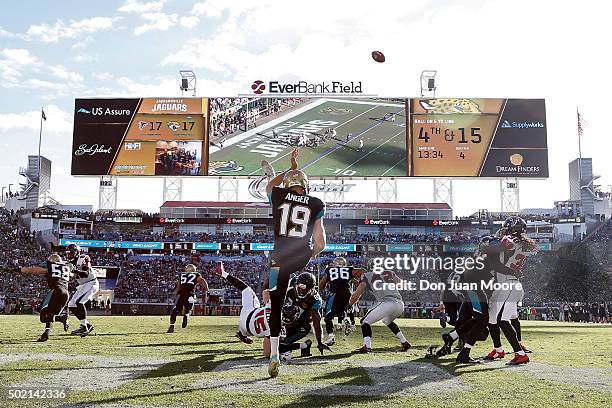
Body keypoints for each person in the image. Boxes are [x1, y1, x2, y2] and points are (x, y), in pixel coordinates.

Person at [261, 148, 327, 378]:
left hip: (279, 259)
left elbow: (269, 186)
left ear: (288, 183)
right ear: (306, 186)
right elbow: (321, 240)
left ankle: (275, 354)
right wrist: (314, 253)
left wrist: (288, 169)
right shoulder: (316, 203)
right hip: (300, 257)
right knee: (290, 284)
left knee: (275, 306)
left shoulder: (278, 195)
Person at [485, 217, 537, 365]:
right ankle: (499, 349)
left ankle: (520, 354)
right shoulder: (525, 243)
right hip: (510, 284)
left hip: (507, 284)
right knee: (492, 318)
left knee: (502, 320)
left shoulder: (509, 240)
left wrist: (492, 243)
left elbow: (495, 263)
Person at [349, 269, 411, 353]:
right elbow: (402, 284)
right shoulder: (388, 272)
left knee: (365, 321)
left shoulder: (365, 276)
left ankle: (367, 346)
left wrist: (349, 304)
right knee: (387, 321)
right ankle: (405, 343)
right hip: (400, 304)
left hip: (386, 303)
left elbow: (357, 294)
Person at [20, 254, 70, 342]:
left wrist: (18, 270)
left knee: (43, 317)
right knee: (51, 315)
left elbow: (32, 270)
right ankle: (46, 334)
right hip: (66, 293)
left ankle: (61, 318)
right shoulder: (66, 267)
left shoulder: (50, 266)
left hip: (56, 291)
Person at [319, 256, 364, 345]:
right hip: (348, 293)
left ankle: (331, 337)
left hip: (337, 294)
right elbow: (361, 272)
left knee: (328, 318)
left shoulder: (330, 270)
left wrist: (321, 289)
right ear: (344, 264)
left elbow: (322, 284)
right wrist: (361, 283)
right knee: (344, 311)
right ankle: (347, 321)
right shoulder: (348, 270)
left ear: (334, 264)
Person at [65, 244, 99, 337]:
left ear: (77, 252)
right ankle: (86, 325)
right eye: (68, 253)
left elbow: (86, 274)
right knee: (71, 304)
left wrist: (74, 271)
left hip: (91, 283)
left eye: (71, 253)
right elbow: (74, 277)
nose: (69, 255)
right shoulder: (69, 263)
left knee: (80, 303)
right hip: (82, 285)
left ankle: (84, 327)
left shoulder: (83, 258)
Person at [167, 264, 208, 333]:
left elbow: (178, 286)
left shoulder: (182, 275)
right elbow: (202, 280)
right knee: (188, 309)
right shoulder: (196, 274)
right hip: (190, 294)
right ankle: (186, 315)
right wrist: (207, 289)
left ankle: (172, 326)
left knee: (175, 310)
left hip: (181, 294)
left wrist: (174, 293)